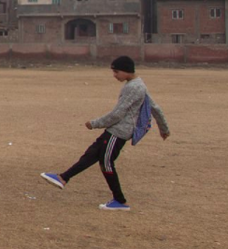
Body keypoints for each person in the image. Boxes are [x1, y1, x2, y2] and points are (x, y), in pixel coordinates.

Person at [40, 56, 170, 211]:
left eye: (116, 72)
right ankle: (63, 178)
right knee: (91, 154)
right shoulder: (137, 84)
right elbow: (155, 107)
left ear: (126, 70)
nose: (114, 75)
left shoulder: (134, 87)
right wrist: (164, 129)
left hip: (119, 132)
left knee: (106, 162)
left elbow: (118, 114)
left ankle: (119, 201)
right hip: (115, 130)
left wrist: (95, 123)